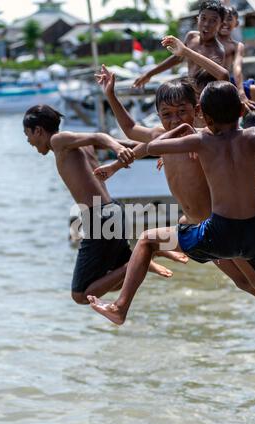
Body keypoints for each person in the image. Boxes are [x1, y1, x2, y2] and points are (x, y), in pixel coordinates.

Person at [88, 82, 255, 324]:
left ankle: (121, 307)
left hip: (215, 228)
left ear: (199, 112)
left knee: (250, 281)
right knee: (247, 282)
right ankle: (119, 308)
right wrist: (110, 94)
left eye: (181, 112)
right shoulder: (181, 137)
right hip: (207, 226)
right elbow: (130, 128)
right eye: (167, 114)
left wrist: (186, 135)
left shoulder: (201, 138)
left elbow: (157, 147)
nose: (175, 120)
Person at [23, 105, 181, 306]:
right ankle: (145, 254)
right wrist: (158, 149)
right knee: (110, 281)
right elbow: (124, 142)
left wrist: (117, 150)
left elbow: (100, 136)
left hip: (98, 217)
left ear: (38, 130)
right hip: (113, 210)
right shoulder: (76, 144)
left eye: (27, 134)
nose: (28, 140)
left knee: (80, 295)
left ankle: (141, 259)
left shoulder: (58, 140)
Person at [133, 1, 226, 87]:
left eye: (213, 20)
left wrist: (185, 51)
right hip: (191, 93)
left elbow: (216, 78)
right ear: (198, 19)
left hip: (203, 97)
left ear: (221, 25)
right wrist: (149, 74)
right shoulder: (191, 37)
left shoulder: (217, 52)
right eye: (203, 18)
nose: (206, 24)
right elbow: (178, 57)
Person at [218, 6, 255, 109]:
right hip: (208, 84)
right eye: (221, 18)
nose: (224, 22)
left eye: (229, 19)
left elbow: (237, 68)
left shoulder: (237, 45)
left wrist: (241, 91)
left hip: (229, 83)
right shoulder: (208, 40)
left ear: (236, 24)